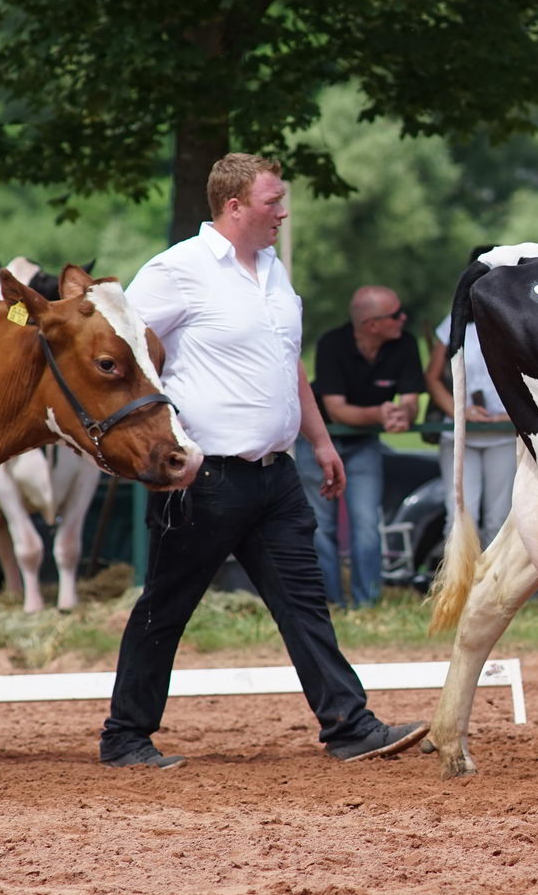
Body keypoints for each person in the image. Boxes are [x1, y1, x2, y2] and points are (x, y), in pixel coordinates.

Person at [100, 153, 427, 768]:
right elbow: (118, 353)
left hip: (277, 476)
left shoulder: (274, 271)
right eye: (273, 201)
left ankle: (349, 726)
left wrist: (321, 442)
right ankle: (124, 736)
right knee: (164, 610)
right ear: (234, 206)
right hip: (202, 479)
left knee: (305, 605)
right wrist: (154, 442)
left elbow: (287, 365)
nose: (283, 212)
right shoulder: (176, 271)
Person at [311, 285, 426, 608]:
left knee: (366, 523)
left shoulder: (405, 344)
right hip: (320, 440)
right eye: (395, 315)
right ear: (372, 324)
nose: (403, 318)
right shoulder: (332, 344)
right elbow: (336, 410)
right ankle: (329, 602)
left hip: (364, 442)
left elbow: (410, 400)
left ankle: (367, 603)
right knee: (321, 525)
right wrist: (380, 414)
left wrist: (403, 415)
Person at [426, 247, 517, 544]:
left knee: (499, 520)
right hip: (460, 435)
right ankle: (459, 575)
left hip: (504, 434)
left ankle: (495, 576)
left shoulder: (516, 320)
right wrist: (459, 411)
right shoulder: (454, 321)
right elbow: (432, 377)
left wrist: (513, 415)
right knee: (460, 519)